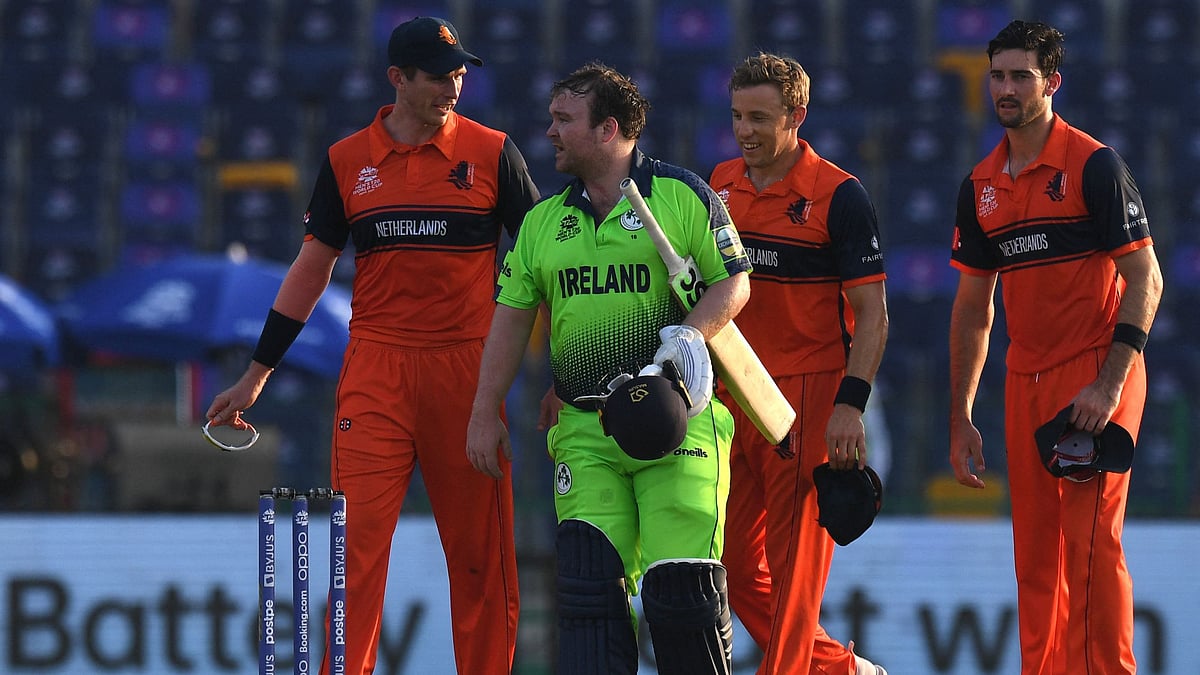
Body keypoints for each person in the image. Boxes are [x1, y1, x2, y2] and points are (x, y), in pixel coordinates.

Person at [205, 16, 540, 675]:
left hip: (468, 375)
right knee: (354, 554)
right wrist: (256, 374)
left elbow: (546, 259)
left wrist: (564, 370)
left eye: (460, 72)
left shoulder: (493, 151)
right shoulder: (346, 160)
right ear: (398, 80)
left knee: (479, 557)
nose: (456, 84)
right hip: (377, 371)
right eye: (441, 75)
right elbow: (310, 267)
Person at [467, 62, 751, 674]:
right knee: (591, 602)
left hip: (678, 425)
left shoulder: (682, 196)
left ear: (609, 130)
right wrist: (485, 408)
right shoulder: (542, 224)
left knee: (683, 602)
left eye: (564, 120)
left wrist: (688, 336)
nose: (549, 133)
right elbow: (512, 318)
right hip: (584, 431)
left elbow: (734, 281)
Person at [948, 20, 1162, 675]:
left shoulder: (1094, 165)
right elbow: (974, 311)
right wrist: (960, 415)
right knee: (1036, 557)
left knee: (1091, 544)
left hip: (1097, 369)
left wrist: (1108, 383)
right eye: (998, 75)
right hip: (1024, 379)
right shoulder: (980, 185)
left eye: (1021, 75)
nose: (1006, 88)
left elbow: (1146, 280)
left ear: (1053, 82)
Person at [708, 53, 889, 675]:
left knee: (793, 571)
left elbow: (874, 314)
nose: (745, 131)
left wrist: (850, 404)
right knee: (729, 561)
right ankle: (840, 669)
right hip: (732, 390)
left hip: (805, 398)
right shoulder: (720, 182)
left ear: (796, 116)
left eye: (760, 117)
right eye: (737, 116)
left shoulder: (839, 196)